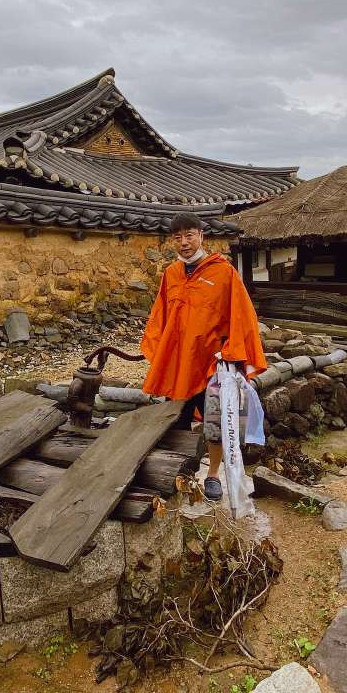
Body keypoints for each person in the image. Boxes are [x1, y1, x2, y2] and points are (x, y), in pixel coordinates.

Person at [140, 213, 268, 500]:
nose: (184, 243)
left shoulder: (223, 273)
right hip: (178, 363)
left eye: (189, 235)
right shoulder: (171, 274)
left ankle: (212, 474)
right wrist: (158, 351)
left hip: (212, 364)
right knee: (177, 419)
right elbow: (161, 316)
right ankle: (182, 472)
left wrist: (233, 353)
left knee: (215, 421)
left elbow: (241, 315)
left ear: (201, 236)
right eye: (177, 237)